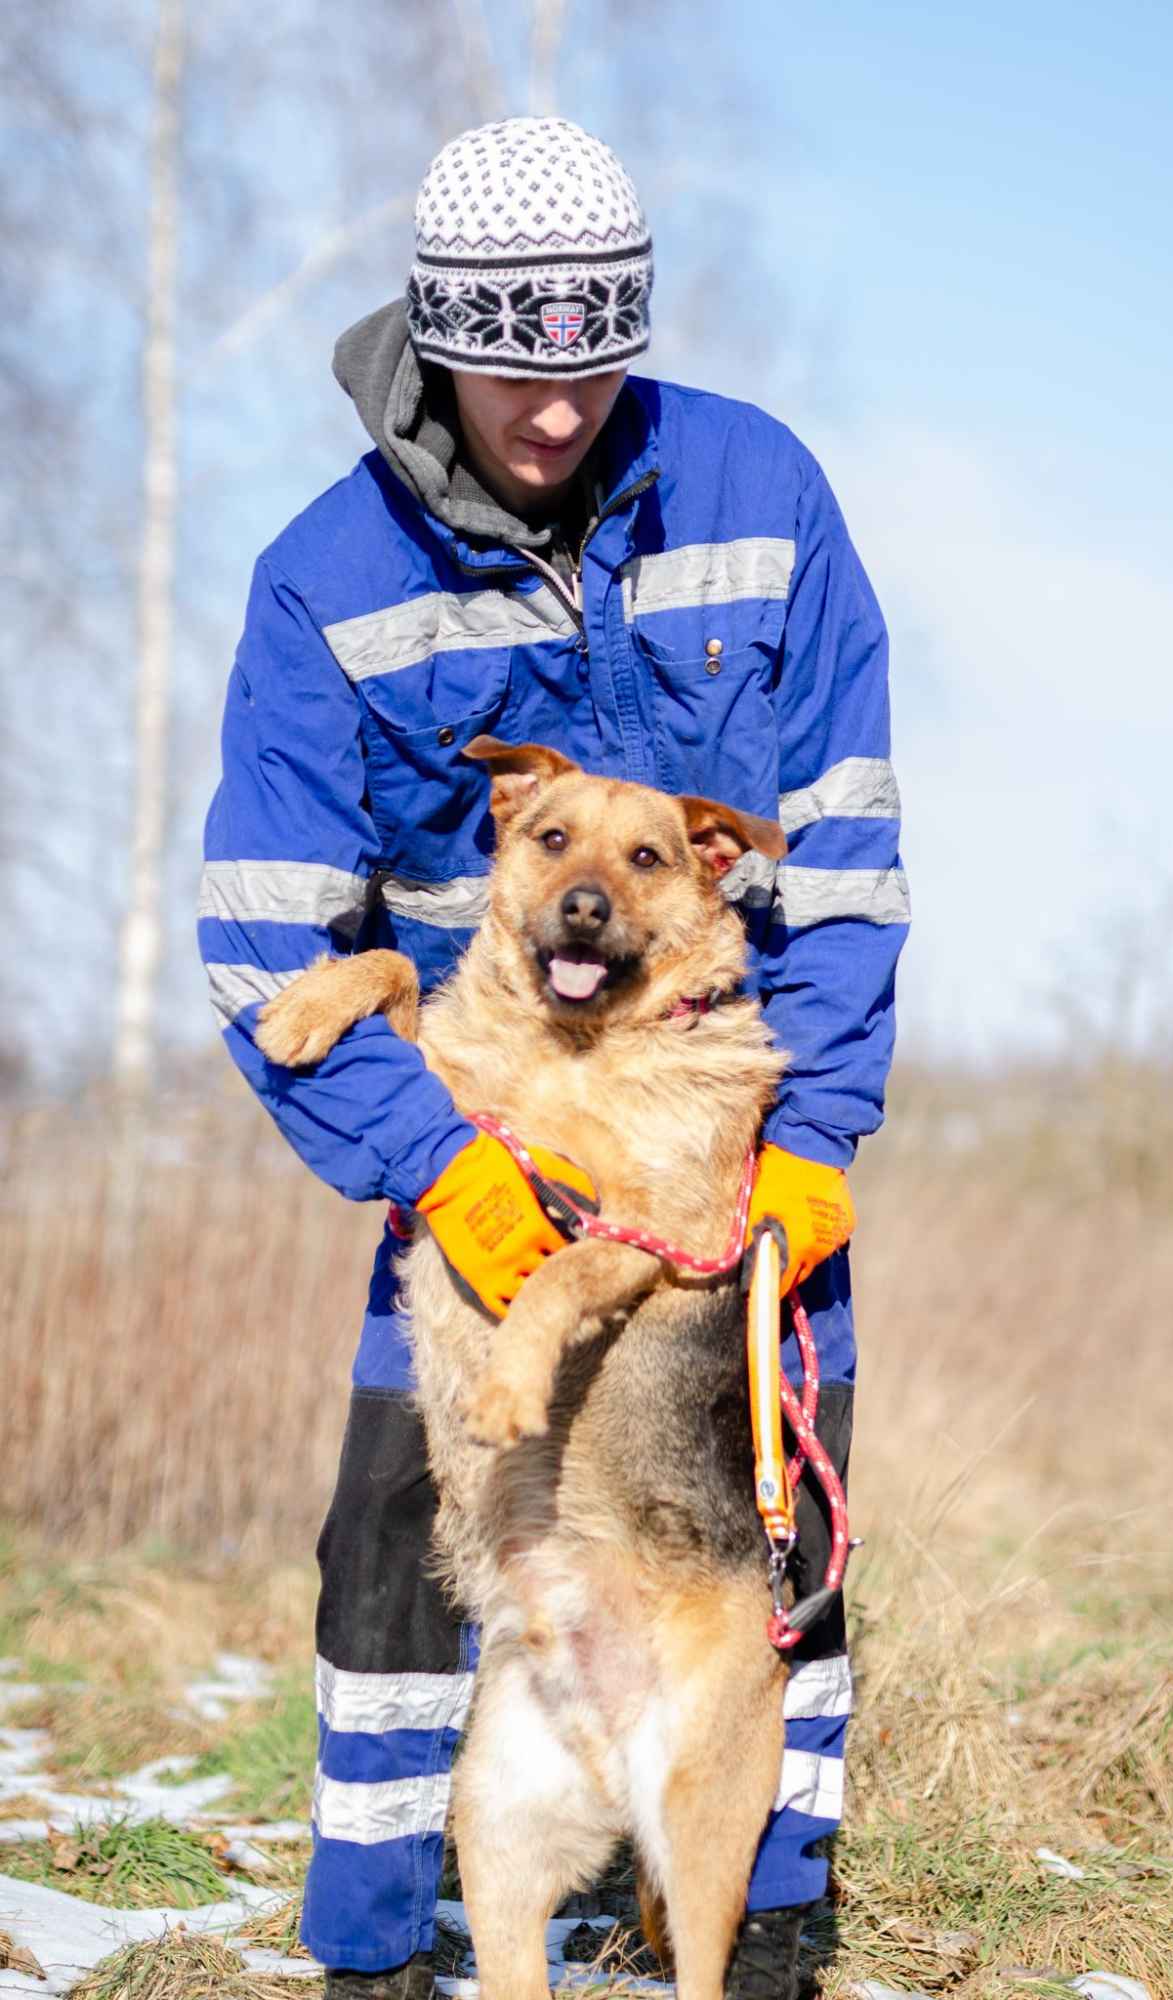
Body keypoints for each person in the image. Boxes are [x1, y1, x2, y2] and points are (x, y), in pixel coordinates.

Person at [199, 117, 908, 2000]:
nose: (558, 409)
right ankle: (378, 1948)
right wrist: (435, 1163)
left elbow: (845, 855)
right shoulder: (325, 575)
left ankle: (753, 1931)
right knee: (396, 1549)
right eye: (516, 368)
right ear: (440, 340)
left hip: (719, 1134)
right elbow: (264, 932)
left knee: (771, 1552)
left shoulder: (758, 491)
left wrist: (820, 1133)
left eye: (597, 362)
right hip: (472, 1113)